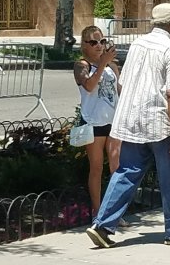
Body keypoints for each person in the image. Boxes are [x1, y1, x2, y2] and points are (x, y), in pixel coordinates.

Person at [86, 3, 170, 248]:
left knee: (127, 172)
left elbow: (124, 82)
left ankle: (102, 225)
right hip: (158, 121)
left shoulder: (137, 44)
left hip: (132, 119)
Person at [74, 26, 121, 217]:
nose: (99, 46)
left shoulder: (112, 67)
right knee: (96, 168)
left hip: (113, 121)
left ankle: (114, 212)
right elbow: (89, 86)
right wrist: (102, 64)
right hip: (94, 122)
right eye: (93, 42)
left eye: (102, 41)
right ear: (84, 45)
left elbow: (120, 91)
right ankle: (97, 211)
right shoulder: (81, 66)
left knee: (116, 167)